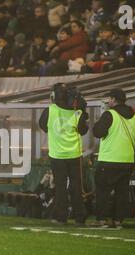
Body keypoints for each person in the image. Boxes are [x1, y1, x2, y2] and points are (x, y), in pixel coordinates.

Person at [92, 89, 135, 228]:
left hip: (109, 160)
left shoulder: (109, 114)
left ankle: (101, 220)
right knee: (122, 193)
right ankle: (118, 220)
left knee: (103, 191)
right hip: (127, 161)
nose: (108, 101)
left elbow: (97, 132)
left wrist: (100, 120)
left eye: (109, 98)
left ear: (114, 99)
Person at [39, 83, 89, 226]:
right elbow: (83, 130)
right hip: (75, 155)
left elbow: (43, 126)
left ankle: (61, 217)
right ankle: (80, 217)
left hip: (57, 156)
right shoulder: (77, 112)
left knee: (60, 187)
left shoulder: (49, 111)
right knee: (76, 187)